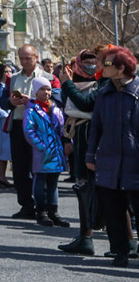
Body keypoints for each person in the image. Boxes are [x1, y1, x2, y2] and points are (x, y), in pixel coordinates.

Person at [86, 47, 139, 267]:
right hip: (108, 161)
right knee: (113, 209)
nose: (100, 67)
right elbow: (95, 125)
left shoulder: (136, 92)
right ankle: (119, 251)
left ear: (121, 67)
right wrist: (90, 154)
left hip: (135, 162)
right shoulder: (104, 92)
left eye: (106, 64)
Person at [59, 49, 102, 254]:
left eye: (94, 61)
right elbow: (67, 112)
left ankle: (125, 243)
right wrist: (66, 139)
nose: (91, 65)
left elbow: (85, 104)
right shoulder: (73, 80)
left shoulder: (103, 82)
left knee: (106, 191)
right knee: (83, 186)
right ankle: (85, 237)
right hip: (80, 136)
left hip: (95, 139)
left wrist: (66, 84)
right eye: (86, 62)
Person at [5, 45, 53, 219]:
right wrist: (11, 101)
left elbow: (54, 103)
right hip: (18, 125)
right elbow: (4, 101)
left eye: (28, 58)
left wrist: (31, 102)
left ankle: (44, 206)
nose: (25, 62)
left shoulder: (47, 77)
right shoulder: (13, 78)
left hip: (39, 127)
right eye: (22, 59)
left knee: (40, 168)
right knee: (20, 168)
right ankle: (26, 204)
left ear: (36, 57)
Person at [24, 77, 68, 227]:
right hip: (42, 151)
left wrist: (67, 143)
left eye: (48, 89)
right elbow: (29, 131)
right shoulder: (32, 110)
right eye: (42, 89)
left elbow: (62, 128)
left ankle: (54, 212)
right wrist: (41, 146)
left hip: (55, 150)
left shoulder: (55, 108)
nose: (46, 92)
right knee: (40, 179)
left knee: (53, 182)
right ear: (36, 91)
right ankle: (41, 212)